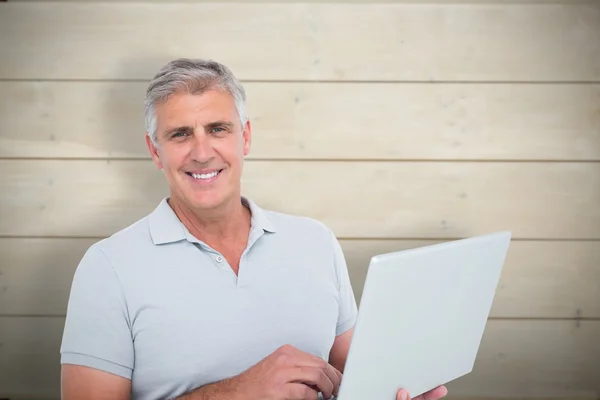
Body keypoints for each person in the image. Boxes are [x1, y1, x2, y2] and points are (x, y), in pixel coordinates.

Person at [60, 58, 449, 400]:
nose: (201, 151)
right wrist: (240, 391)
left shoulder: (316, 242)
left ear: (245, 137)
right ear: (154, 150)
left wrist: (393, 391)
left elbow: (357, 380)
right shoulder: (107, 268)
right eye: (180, 134)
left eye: (217, 129)